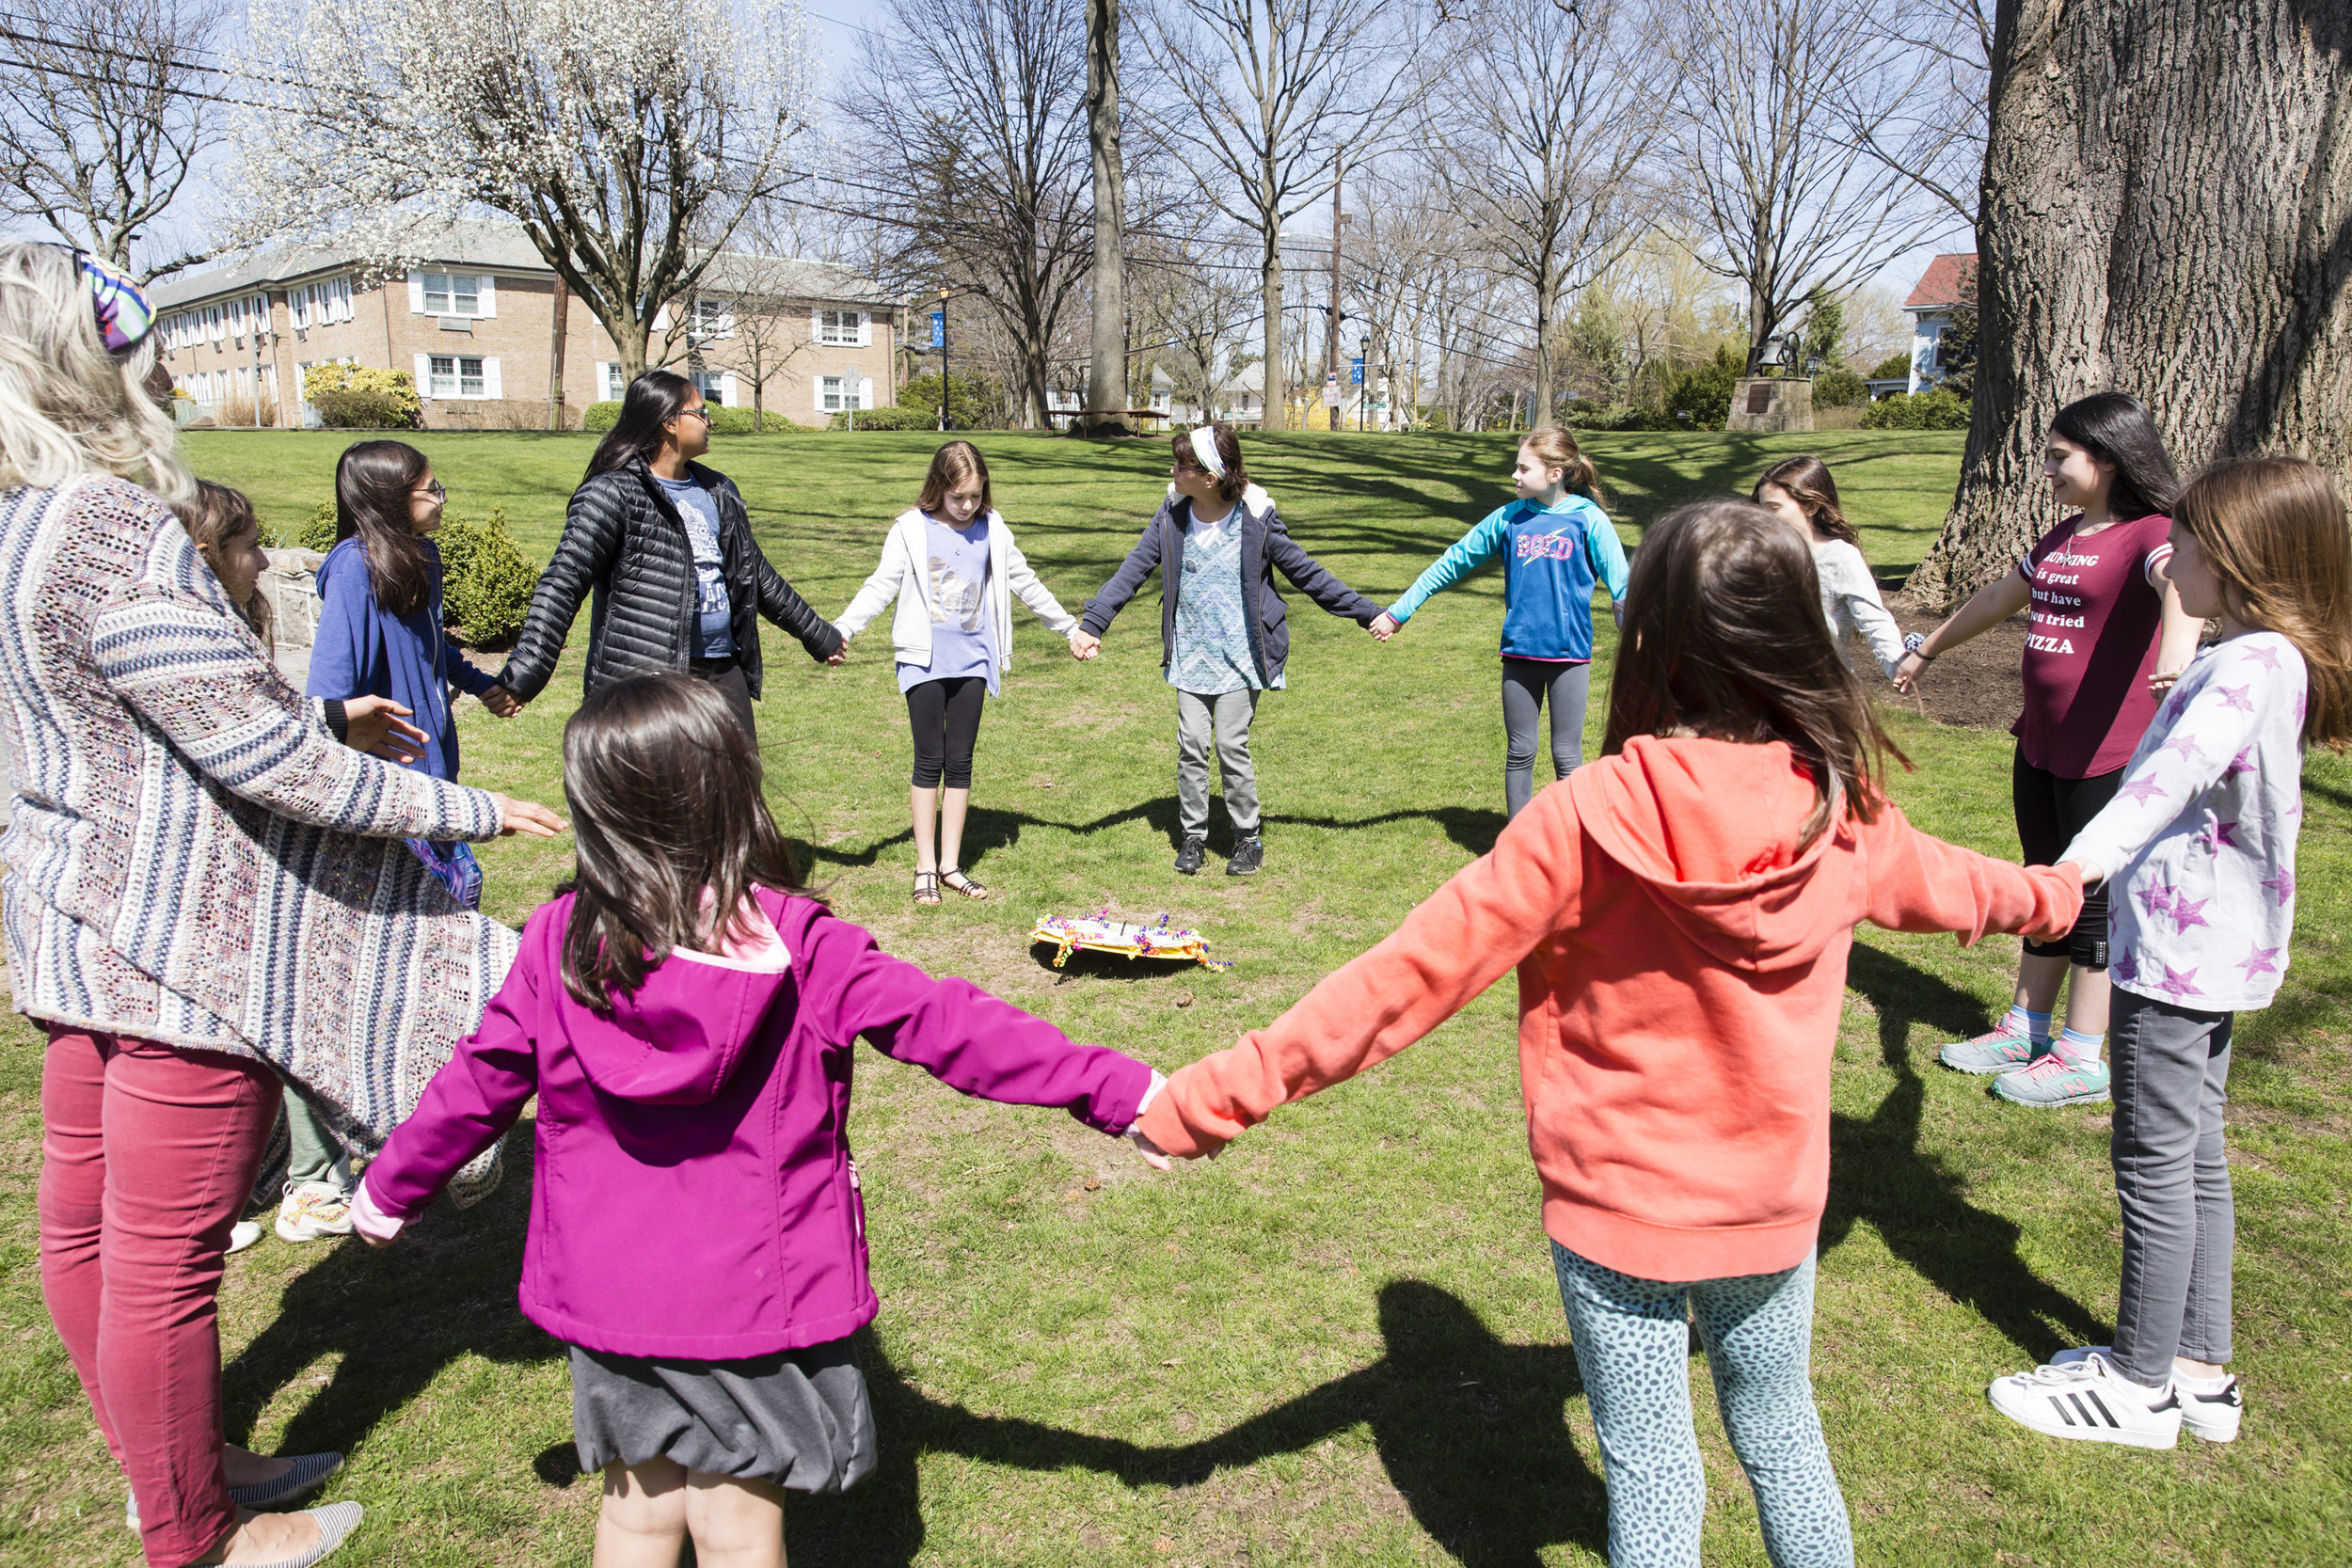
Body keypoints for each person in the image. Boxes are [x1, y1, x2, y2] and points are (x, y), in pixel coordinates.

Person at [1130, 499, 2085, 1568]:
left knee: (1651, 1461)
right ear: (1789, 636)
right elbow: (1965, 885)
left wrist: (1212, 1095)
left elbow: (1398, 983)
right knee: (1780, 1437)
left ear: (1649, 637)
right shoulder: (1836, 807)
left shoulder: (1590, 813)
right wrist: (2054, 897)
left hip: (1619, 1212)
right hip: (1766, 1207)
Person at [3, 242, 564, 1568]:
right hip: (176, 949)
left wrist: (311, 716)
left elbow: (132, 717)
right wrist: (467, 806)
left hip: (63, 931)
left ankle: (182, 1465)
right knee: (164, 1257)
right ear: (97, 365)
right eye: (149, 353)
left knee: (83, 1230)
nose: (170, 373)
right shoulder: (108, 527)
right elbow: (258, 757)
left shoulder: (15, 522)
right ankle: (196, 1531)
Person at [347, 672, 1165, 1568]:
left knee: (636, 1514)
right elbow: (956, 1026)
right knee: (736, 1529)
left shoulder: (555, 941)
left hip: (611, 1292)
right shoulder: (807, 947)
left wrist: (391, 1188)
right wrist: (1122, 1091)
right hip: (750, 1300)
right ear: (732, 793)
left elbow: (479, 1080)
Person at [1987, 457, 2350, 1449]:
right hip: (2213, 951)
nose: (2163, 559)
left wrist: (2066, 873)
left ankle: (2138, 1383)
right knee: (2195, 1154)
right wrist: (2183, 608)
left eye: (2184, 544)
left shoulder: (2244, 666)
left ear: (2238, 560)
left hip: (2176, 957)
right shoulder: (2264, 652)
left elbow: (2163, 782)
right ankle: (2197, 1363)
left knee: (2152, 1160)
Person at [1894, 392, 2201, 1107]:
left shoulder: (2150, 533)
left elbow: (2181, 586)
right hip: (2042, 744)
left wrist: (2178, 658)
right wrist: (1928, 649)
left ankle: (2083, 1052)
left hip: (2108, 752)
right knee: (2044, 883)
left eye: (2060, 456)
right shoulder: (2065, 535)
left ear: (2109, 456)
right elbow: (2003, 597)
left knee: (2091, 898)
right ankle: (2027, 1025)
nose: (2048, 469)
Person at [291, 440, 523, 1243]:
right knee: (409, 960)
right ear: (389, 497)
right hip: (389, 801)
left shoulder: (416, 556)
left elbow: (433, 650)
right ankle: (360, 1157)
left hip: (436, 789)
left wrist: (478, 682)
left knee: (445, 943)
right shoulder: (352, 570)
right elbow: (331, 687)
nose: (442, 499)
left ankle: (431, 1130)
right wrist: (362, 741)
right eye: (429, 490)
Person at [1071, 423, 1379, 876]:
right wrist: (1095, 622)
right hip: (1191, 652)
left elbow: (1309, 574)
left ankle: (1247, 838)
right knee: (1192, 745)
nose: (1173, 471)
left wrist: (1366, 612)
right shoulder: (1173, 516)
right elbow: (1133, 569)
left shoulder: (1256, 520)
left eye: (1182, 466)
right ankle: (1193, 836)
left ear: (1210, 477)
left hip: (1242, 654)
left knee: (1230, 744)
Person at [497, 371, 842, 740]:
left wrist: (817, 635)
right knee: (664, 793)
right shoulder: (613, 494)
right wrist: (525, 673)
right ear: (669, 422)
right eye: (700, 410)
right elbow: (562, 584)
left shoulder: (717, 490)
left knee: (736, 792)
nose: (711, 420)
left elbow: (753, 575)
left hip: (722, 671)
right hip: (647, 679)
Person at [833, 441, 1088, 905]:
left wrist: (1069, 629)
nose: (968, 505)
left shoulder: (993, 529)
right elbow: (881, 584)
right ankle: (924, 866)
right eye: (958, 497)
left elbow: (1024, 581)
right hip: (923, 660)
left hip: (974, 659)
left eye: (975, 495)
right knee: (929, 759)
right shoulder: (910, 529)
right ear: (938, 489)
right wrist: (842, 629)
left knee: (961, 760)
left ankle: (951, 865)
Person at [1368, 427, 1629, 816]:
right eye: (1516, 467)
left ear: (1555, 474)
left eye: (1524, 468)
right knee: (1521, 750)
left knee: (1566, 756)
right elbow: (1452, 562)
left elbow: (1623, 587)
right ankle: (1517, 844)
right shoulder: (1509, 518)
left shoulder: (1588, 520)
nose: (1515, 476)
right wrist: (1397, 612)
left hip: (1569, 656)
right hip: (1519, 652)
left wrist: (1639, 639)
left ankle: (1574, 846)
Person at [1754, 455, 1904, 679]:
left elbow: (1874, 620)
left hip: (1824, 695)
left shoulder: (1840, 558)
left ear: (1812, 507)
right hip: (1763, 693)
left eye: (1773, 507)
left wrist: (1898, 665)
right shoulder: (1761, 556)